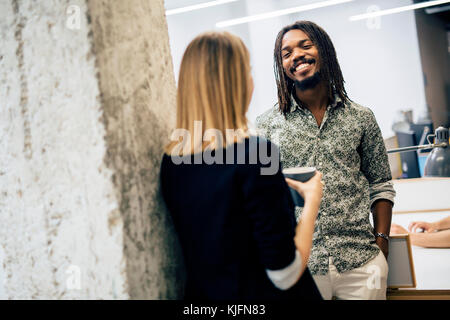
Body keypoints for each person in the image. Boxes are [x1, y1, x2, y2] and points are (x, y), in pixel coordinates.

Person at [160, 31, 324, 300]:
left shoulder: (173, 161)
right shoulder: (257, 153)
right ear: (236, 83)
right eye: (247, 71)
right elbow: (285, 274)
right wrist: (311, 203)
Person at [256, 21, 396, 300]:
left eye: (305, 45)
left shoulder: (361, 118)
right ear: (281, 65)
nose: (296, 55)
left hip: (361, 263)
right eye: (286, 53)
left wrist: (382, 243)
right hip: (302, 265)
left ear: (325, 51)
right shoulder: (266, 126)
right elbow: (263, 198)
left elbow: (381, 184)